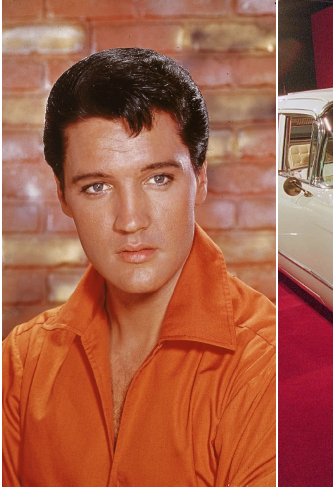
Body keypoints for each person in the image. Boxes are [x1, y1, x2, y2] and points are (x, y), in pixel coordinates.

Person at [2, 48, 276, 486]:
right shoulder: (20, 361)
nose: (131, 220)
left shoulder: (263, 367)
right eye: (96, 186)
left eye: (158, 178)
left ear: (200, 178)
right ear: (62, 196)